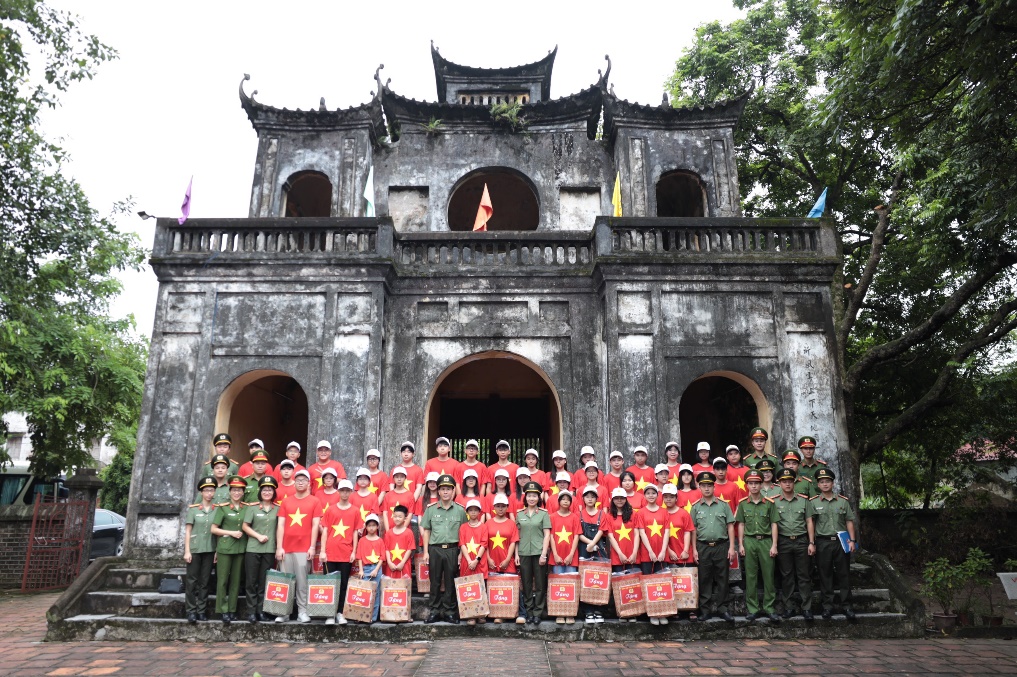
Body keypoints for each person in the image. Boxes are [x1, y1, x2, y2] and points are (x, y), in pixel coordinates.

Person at [275, 469, 321, 623]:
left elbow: (315, 525)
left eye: (304, 480)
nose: (301, 482)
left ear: (309, 483)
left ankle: (302, 611)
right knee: (285, 581)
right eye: (298, 480)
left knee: (302, 582)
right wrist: (279, 547)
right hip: (286, 547)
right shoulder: (287, 501)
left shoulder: (315, 501)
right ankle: (284, 612)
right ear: (295, 482)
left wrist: (312, 547)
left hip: (304, 547)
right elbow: (280, 525)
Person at [810, 467, 857, 620]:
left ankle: (847, 606)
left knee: (844, 574)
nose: (825, 484)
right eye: (822, 482)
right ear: (818, 485)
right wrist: (812, 542)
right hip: (823, 542)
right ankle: (827, 606)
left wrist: (852, 540)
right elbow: (811, 523)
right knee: (825, 575)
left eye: (827, 481)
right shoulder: (813, 502)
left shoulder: (842, 501)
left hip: (841, 542)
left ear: (832, 483)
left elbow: (849, 521)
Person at [421, 474, 468, 624]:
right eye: (443, 489)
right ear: (439, 492)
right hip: (435, 549)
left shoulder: (460, 510)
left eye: (448, 489)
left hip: (453, 550)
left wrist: (461, 553)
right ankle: (434, 611)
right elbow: (426, 530)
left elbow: (464, 532)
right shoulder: (431, 509)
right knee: (434, 581)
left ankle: (449, 611)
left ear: (453, 491)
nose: (446, 492)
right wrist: (426, 552)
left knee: (450, 581)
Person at [689, 471, 735, 622]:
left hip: (721, 546)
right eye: (703, 486)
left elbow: (730, 527)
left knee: (723, 578)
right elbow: (693, 529)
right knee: (704, 579)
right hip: (703, 547)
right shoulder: (695, 507)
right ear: (699, 487)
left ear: (714, 487)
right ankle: (705, 610)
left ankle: (723, 609)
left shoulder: (723, 505)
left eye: (709, 485)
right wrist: (694, 549)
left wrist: (731, 547)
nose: (707, 488)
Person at [735, 469, 779, 622]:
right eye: (751, 483)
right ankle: (752, 608)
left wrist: (774, 545)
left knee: (769, 575)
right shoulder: (742, 504)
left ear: (761, 485)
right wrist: (740, 544)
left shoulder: (769, 503)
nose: (753, 486)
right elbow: (740, 524)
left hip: (766, 541)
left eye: (756, 483)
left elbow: (774, 524)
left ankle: (769, 607)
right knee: (751, 576)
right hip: (749, 541)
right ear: (747, 485)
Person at [774, 467, 816, 620]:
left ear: (794, 483)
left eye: (790, 481)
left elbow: (809, 522)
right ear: (779, 483)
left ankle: (807, 608)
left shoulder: (804, 500)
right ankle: (789, 607)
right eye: (784, 481)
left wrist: (811, 542)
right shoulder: (774, 502)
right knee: (786, 576)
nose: (787, 484)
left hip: (801, 540)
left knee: (804, 575)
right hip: (784, 541)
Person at [319, 478, 362, 625]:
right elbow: (325, 531)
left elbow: (356, 532)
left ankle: (340, 612)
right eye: (342, 490)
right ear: (339, 491)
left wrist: (354, 552)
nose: (344, 493)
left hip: (346, 552)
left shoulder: (355, 511)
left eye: (347, 491)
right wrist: (323, 551)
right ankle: (329, 614)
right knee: (330, 584)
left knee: (344, 584)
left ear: (351, 492)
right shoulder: (330, 509)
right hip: (331, 552)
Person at [210, 476, 248, 625]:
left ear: (243, 492)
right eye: (234, 490)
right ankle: (223, 609)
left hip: (240, 548)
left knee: (236, 581)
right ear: (230, 491)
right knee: (223, 580)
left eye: (239, 490)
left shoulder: (247, 508)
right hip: (225, 547)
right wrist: (231, 533)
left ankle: (232, 609)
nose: (237, 493)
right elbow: (213, 529)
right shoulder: (223, 507)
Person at [242, 475, 278, 623]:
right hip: (253, 548)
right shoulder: (253, 508)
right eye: (264, 490)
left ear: (274, 492)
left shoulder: (278, 509)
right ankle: (251, 611)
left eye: (270, 490)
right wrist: (257, 536)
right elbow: (245, 526)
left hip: (269, 549)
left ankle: (261, 610)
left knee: (264, 582)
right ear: (260, 492)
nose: (267, 492)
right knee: (251, 581)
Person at [515, 481, 551, 626]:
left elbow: (547, 535)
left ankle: (538, 612)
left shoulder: (543, 514)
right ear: (525, 497)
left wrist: (544, 554)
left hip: (538, 552)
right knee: (527, 584)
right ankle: (528, 612)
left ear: (538, 498)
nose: (531, 498)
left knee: (541, 584)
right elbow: (516, 536)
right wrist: (516, 554)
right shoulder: (519, 514)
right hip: (524, 553)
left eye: (534, 496)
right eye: (529, 495)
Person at [184, 476, 217, 623]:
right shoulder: (193, 509)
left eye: (211, 490)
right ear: (201, 493)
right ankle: (191, 610)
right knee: (192, 581)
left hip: (210, 548)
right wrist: (187, 551)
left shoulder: (218, 509)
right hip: (195, 548)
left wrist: (217, 551)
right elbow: (188, 531)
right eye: (206, 490)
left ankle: (201, 610)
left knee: (205, 581)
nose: (209, 493)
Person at [486, 494, 521, 624]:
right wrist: (488, 558)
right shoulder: (488, 524)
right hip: (492, 560)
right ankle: (497, 614)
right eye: (498, 506)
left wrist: (508, 559)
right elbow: (485, 543)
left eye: (503, 506)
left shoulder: (511, 524)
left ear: (507, 507)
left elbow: (513, 541)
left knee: (509, 586)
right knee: (494, 588)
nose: (500, 509)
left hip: (508, 559)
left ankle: (511, 613)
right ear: (494, 507)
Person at [548, 489, 580, 625]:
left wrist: (571, 554)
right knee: (558, 586)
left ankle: (570, 613)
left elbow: (577, 535)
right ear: (559, 501)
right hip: (556, 556)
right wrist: (555, 554)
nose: (565, 501)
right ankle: (559, 613)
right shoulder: (552, 517)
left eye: (568, 499)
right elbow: (550, 536)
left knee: (571, 586)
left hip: (570, 556)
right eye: (563, 499)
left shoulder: (574, 517)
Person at [577, 486, 607, 623]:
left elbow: (602, 530)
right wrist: (589, 544)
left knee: (599, 579)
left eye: (592, 497)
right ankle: (587, 611)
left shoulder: (602, 514)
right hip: (584, 548)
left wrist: (594, 544)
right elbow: (578, 533)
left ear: (596, 499)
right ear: (583, 499)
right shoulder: (579, 514)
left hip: (599, 547)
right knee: (585, 579)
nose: (590, 499)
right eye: (587, 497)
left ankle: (598, 609)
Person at [458, 499, 489, 625]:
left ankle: (481, 613)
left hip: (479, 561)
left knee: (480, 586)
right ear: (467, 512)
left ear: (480, 512)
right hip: (467, 560)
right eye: (471, 510)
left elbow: (484, 544)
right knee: (469, 587)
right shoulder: (463, 527)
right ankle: (470, 614)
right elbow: (462, 544)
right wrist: (469, 560)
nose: (473, 512)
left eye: (476, 510)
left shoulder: (483, 527)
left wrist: (476, 559)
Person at [353, 514, 385, 623]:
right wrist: (361, 570)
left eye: (374, 525)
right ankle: (361, 616)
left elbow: (382, 557)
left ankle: (373, 617)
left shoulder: (380, 540)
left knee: (375, 594)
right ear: (366, 527)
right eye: (369, 525)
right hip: (365, 568)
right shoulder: (362, 540)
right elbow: (359, 556)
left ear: (377, 527)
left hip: (376, 568)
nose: (371, 528)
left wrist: (376, 570)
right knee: (364, 593)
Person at [636, 485, 669, 574]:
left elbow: (667, 532)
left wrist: (663, 551)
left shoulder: (664, 511)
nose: (651, 495)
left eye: (653, 493)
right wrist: (650, 551)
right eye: (648, 493)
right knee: (647, 582)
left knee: (663, 583)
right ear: (644, 496)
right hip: (647, 553)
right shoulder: (640, 512)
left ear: (658, 495)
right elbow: (642, 533)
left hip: (662, 553)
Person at [661, 484, 694, 566]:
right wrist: (668, 551)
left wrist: (686, 550)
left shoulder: (684, 513)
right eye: (666, 497)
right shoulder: (661, 514)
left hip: (684, 556)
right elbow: (661, 535)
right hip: (667, 557)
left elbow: (687, 532)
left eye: (671, 497)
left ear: (676, 498)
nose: (668, 499)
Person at [383, 505, 416, 579]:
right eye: (395, 516)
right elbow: (386, 549)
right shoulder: (389, 533)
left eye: (400, 517)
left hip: (404, 565)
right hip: (391, 565)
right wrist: (389, 562)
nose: (397, 519)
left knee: (404, 587)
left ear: (405, 518)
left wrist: (402, 563)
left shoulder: (409, 532)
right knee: (390, 588)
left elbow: (410, 549)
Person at [381, 466, 416, 533]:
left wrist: (402, 530)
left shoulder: (410, 495)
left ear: (405, 478)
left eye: (402, 477)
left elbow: (410, 514)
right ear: (393, 478)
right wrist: (388, 531)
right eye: (397, 477)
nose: (399, 479)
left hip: (404, 531)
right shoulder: (388, 495)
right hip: (390, 530)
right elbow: (385, 513)